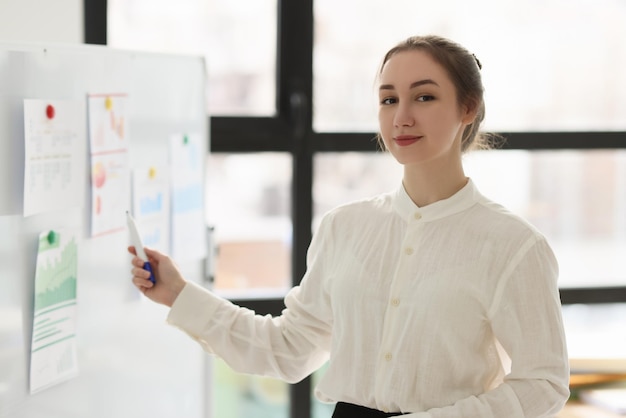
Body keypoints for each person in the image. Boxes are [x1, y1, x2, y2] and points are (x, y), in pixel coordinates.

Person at [129, 34, 570, 417]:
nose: (402, 117)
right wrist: (178, 294)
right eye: (388, 99)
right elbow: (289, 349)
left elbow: (543, 385)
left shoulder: (514, 246)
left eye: (424, 96)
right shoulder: (344, 227)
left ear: (468, 109)